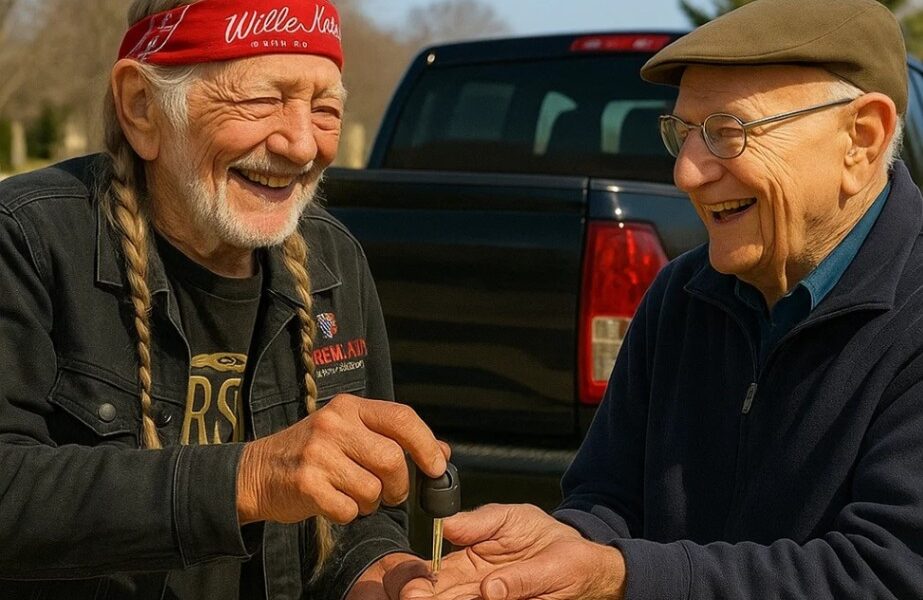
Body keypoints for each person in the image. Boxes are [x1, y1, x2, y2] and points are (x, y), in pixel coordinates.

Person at [397, 0, 923, 598]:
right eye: (683, 134)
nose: (687, 174)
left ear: (862, 137)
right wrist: (559, 546)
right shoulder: (682, 294)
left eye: (729, 133)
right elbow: (610, 500)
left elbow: (892, 573)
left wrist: (621, 575)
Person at [0, 0, 448, 598]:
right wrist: (252, 477)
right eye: (261, 100)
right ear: (143, 108)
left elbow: (362, 521)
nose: (300, 145)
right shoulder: (27, 241)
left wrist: (381, 577)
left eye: (325, 109)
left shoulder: (334, 262)